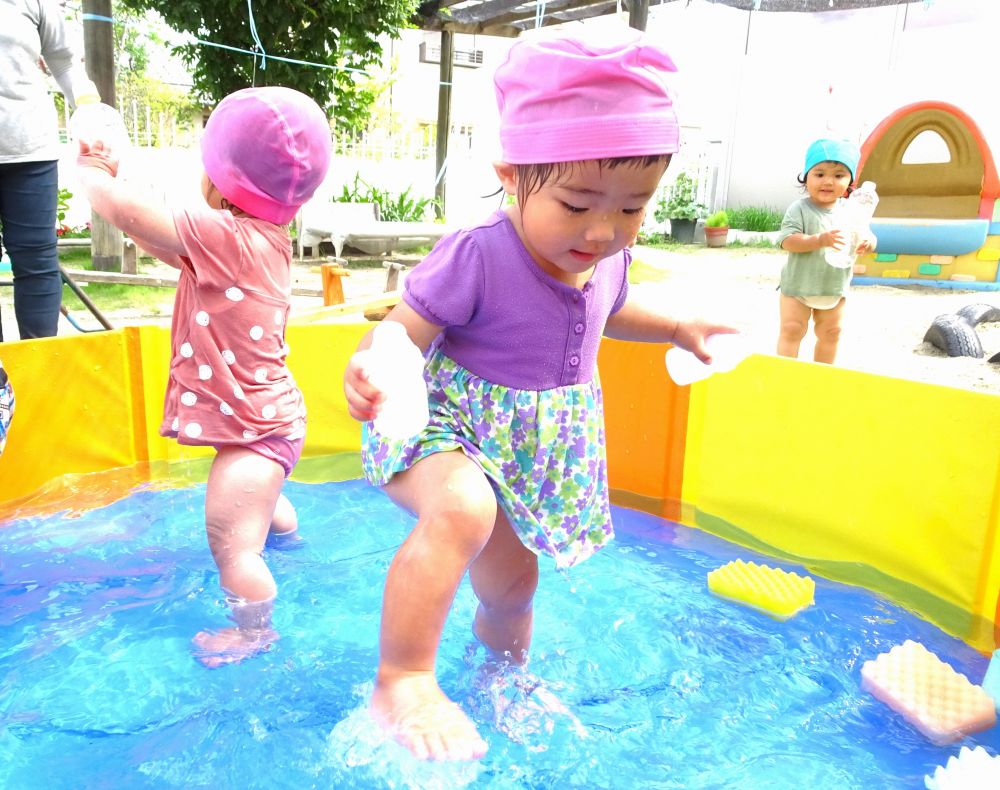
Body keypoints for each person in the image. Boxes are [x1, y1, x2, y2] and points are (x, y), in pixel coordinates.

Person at [342, 29, 736, 762]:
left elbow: (614, 311)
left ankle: (503, 671)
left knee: (513, 583)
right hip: (446, 422)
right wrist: (374, 369)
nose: (602, 229)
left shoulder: (603, 257)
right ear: (513, 174)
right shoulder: (480, 252)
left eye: (632, 207)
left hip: (533, 446)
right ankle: (402, 678)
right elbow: (402, 329)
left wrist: (679, 323)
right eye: (579, 201)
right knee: (462, 508)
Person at [76, 86, 331, 666]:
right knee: (256, 506)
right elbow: (163, 241)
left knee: (230, 545)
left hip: (254, 433)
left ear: (221, 183)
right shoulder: (255, 240)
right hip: (271, 423)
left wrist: (93, 175)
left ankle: (253, 631)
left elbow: (129, 214)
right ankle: (285, 533)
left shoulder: (228, 236)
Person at [1, 0, 95, 340]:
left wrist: (91, 114)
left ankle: (40, 373)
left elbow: (65, 63)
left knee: (37, 265)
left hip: (30, 154)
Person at [776, 138, 876, 364]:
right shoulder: (799, 209)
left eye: (839, 175)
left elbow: (867, 234)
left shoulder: (852, 211)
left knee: (831, 333)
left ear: (851, 181)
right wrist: (819, 240)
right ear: (806, 176)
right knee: (792, 330)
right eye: (819, 174)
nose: (828, 181)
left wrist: (868, 243)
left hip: (833, 286)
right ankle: (785, 375)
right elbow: (787, 241)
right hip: (798, 286)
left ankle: (822, 375)